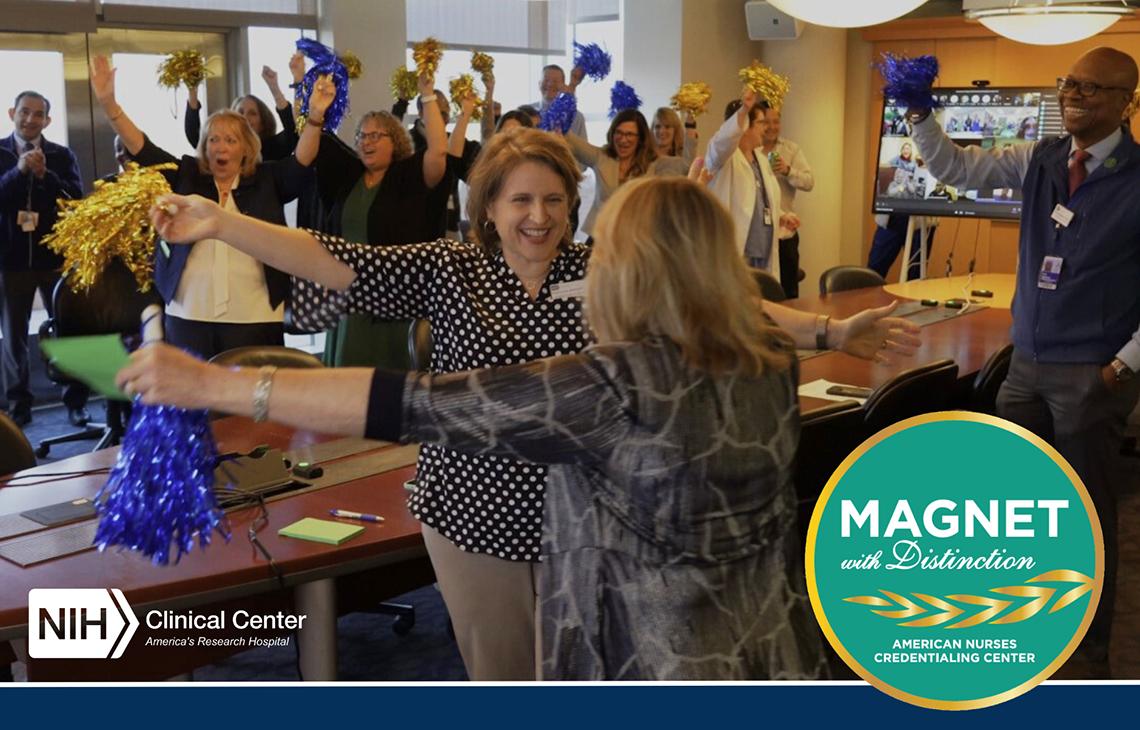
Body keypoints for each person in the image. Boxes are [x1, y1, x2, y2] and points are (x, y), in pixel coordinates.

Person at [127, 127, 919, 680]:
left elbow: (717, 302)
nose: (538, 217)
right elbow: (339, 264)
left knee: (580, 666)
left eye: (553, 201)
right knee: (508, 674)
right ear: (489, 209)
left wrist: (828, 328)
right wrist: (226, 224)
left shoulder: (605, 267)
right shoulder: (452, 266)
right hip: (479, 512)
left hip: (598, 516)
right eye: (519, 202)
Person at [907, 46, 1140, 677]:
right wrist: (918, 114)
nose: (1076, 95)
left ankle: (1086, 661)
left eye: (1094, 88)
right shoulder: (1037, 157)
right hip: (1027, 368)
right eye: (1072, 83)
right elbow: (955, 166)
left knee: (1086, 519)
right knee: (1019, 514)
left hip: (1092, 375)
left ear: (1126, 102)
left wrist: (1121, 368)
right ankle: (1029, 636)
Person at [89, 55, 318, 359]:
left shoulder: (268, 179)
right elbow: (142, 149)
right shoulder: (187, 175)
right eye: (213, 139)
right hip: (188, 312)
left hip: (255, 314)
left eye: (230, 140)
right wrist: (110, 105)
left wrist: (314, 118)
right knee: (192, 401)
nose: (220, 147)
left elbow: (302, 160)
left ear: (246, 148)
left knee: (247, 401)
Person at [308, 71, 447, 370]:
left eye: (375, 135)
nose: (366, 141)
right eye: (362, 136)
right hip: (348, 295)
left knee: (389, 381)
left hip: (392, 299)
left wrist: (428, 95)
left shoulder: (407, 176)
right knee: (348, 379)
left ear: (395, 141)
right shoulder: (349, 179)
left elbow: (437, 150)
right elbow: (311, 141)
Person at [0, 90, 89, 427]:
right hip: (10, 260)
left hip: (55, 259)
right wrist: (19, 171)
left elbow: (75, 199)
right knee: (13, 339)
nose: (30, 119)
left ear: (47, 121)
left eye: (38, 114)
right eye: (24, 112)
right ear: (12, 113)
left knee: (68, 331)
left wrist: (44, 176)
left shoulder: (60, 154)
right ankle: (18, 407)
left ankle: (76, 402)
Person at [705, 88, 799, 275]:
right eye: (761, 122)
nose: (766, 128)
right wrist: (743, 111)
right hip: (739, 251)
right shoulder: (723, 157)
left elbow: (760, 200)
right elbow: (722, 142)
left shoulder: (761, 159)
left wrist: (780, 216)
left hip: (763, 252)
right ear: (745, 125)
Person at [564, 109, 688, 237]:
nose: (623, 140)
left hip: (634, 239)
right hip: (601, 236)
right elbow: (570, 140)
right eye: (619, 133)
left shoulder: (654, 164)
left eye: (629, 134)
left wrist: (690, 123)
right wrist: (564, 103)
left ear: (640, 138)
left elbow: (685, 164)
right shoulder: (601, 156)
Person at [185, 56, 302, 162]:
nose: (245, 117)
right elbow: (195, 135)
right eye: (240, 112)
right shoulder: (221, 148)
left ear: (263, 123)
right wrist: (192, 90)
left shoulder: (272, 148)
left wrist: (274, 88)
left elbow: (294, 130)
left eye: (252, 113)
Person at [759, 105, 814, 299]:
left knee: (788, 293)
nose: (772, 127)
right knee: (760, 293)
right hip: (758, 234)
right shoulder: (750, 150)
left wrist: (787, 170)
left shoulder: (791, 149)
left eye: (776, 121)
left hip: (785, 233)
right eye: (766, 122)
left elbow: (809, 182)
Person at [530, 64, 587, 140]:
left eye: (555, 81)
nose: (550, 84)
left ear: (563, 86)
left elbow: (583, 148)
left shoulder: (577, 117)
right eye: (546, 80)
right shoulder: (526, 112)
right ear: (539, 84)